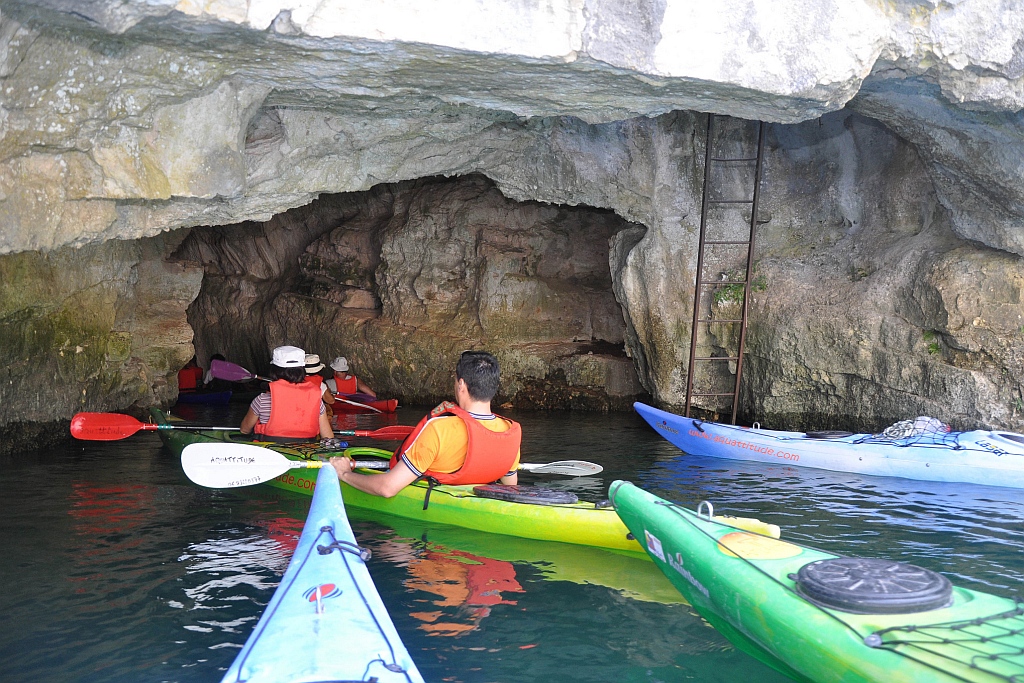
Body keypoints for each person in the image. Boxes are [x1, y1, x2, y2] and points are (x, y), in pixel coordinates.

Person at [331, 351, 520, 497]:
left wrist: (344, 474)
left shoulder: (439, 429)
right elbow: (511, 488)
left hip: (434, 524)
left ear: (461, 384)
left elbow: (387, 488)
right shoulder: (509, 431)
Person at [240, 345, 334, 439]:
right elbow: (328, 436)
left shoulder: (261, 400)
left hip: (271, 449)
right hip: (305, 450)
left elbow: (244, 430)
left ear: (274, 371)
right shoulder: (316, 401)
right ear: (302, 371)